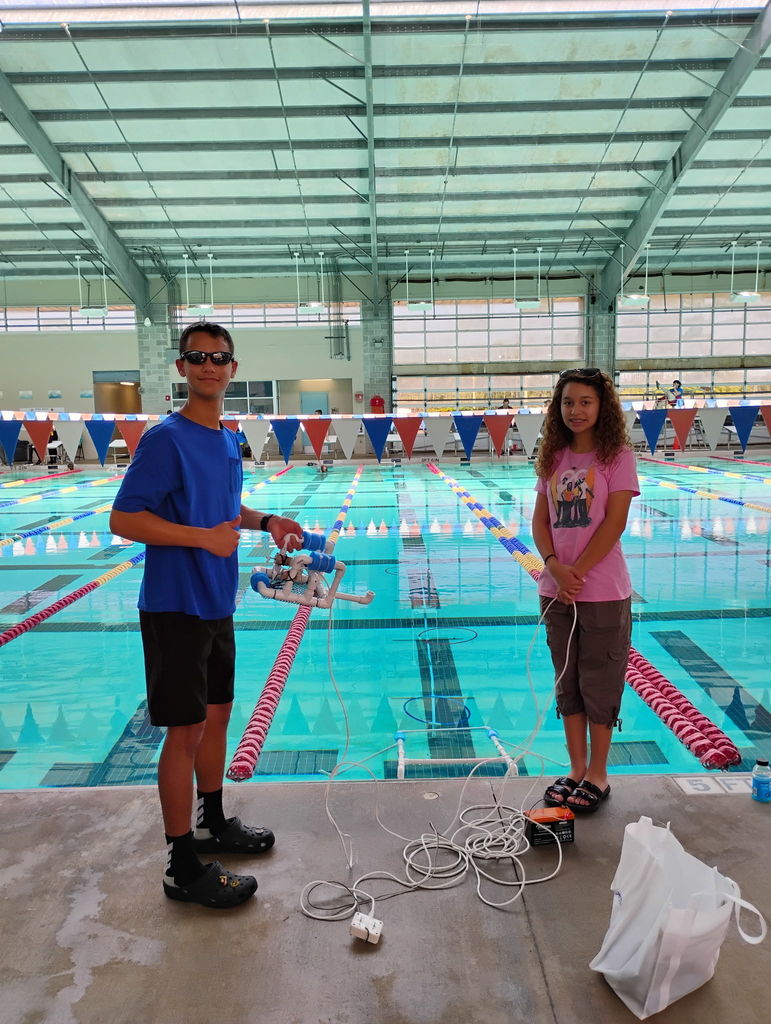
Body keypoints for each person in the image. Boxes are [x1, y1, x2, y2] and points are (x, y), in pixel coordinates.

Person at [110, 322, 302, 908]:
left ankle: (214, 822)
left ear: (232, 368)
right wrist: (201, 538)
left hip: (217, 601)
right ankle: (180, 863)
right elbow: (124, 519)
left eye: (219, 358)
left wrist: (266, 521)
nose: (209, 367)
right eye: (197, 357)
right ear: (182, 367)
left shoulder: (224, 437)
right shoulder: (165, 439)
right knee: (185, 731)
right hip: (175, 606)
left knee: (217, 717)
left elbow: (223, 509)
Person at [531, 368, 639, 814]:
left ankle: (598, 773)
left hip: (603, 590)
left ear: (602, 407)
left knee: (600, 681)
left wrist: (578, 572)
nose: (576, 411)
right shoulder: (553, 456)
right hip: (556, 589)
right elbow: (540, 520)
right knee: (567, 682)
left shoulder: (617, 456)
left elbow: (615, 522)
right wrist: (556, 568)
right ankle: (575, 767)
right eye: (568, 402)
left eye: (585, 402)